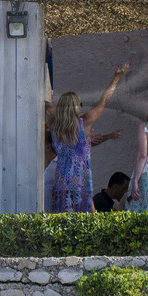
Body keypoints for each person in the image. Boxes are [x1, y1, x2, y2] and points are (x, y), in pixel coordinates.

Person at [50, 62, 132, 213]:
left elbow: (46, 107)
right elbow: (104, 101)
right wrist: (116, 78)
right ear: (76, 107)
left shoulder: (54, 127)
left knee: (61, 224)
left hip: (61, 181)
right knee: (84, 222)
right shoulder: (84, 123)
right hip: (80, 181)